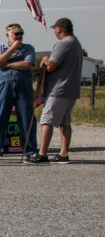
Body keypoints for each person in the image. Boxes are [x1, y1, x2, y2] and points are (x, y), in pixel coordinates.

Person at [30, 17, 84, 164]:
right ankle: (63, 153)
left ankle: (42, 153)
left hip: (58, 89)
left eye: (55, 29)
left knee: (46, 120)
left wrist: (45, 60)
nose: (54, 31)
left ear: (59, 29)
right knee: (65, 122)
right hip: (71, 90)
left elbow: (51, 66)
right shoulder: (76, 43)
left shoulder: (63, 44)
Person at [0, 22, 38, 160]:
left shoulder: (28, 48)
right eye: (16, 34)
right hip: (4, 86)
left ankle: (30, 150)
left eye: (21, 34)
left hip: (23, 85)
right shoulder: (0, 48)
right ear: (8, 35)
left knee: (26, 116)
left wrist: (7, 64)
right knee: (0, 116)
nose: (19, 36)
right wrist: (12, 49)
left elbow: (27, 64)